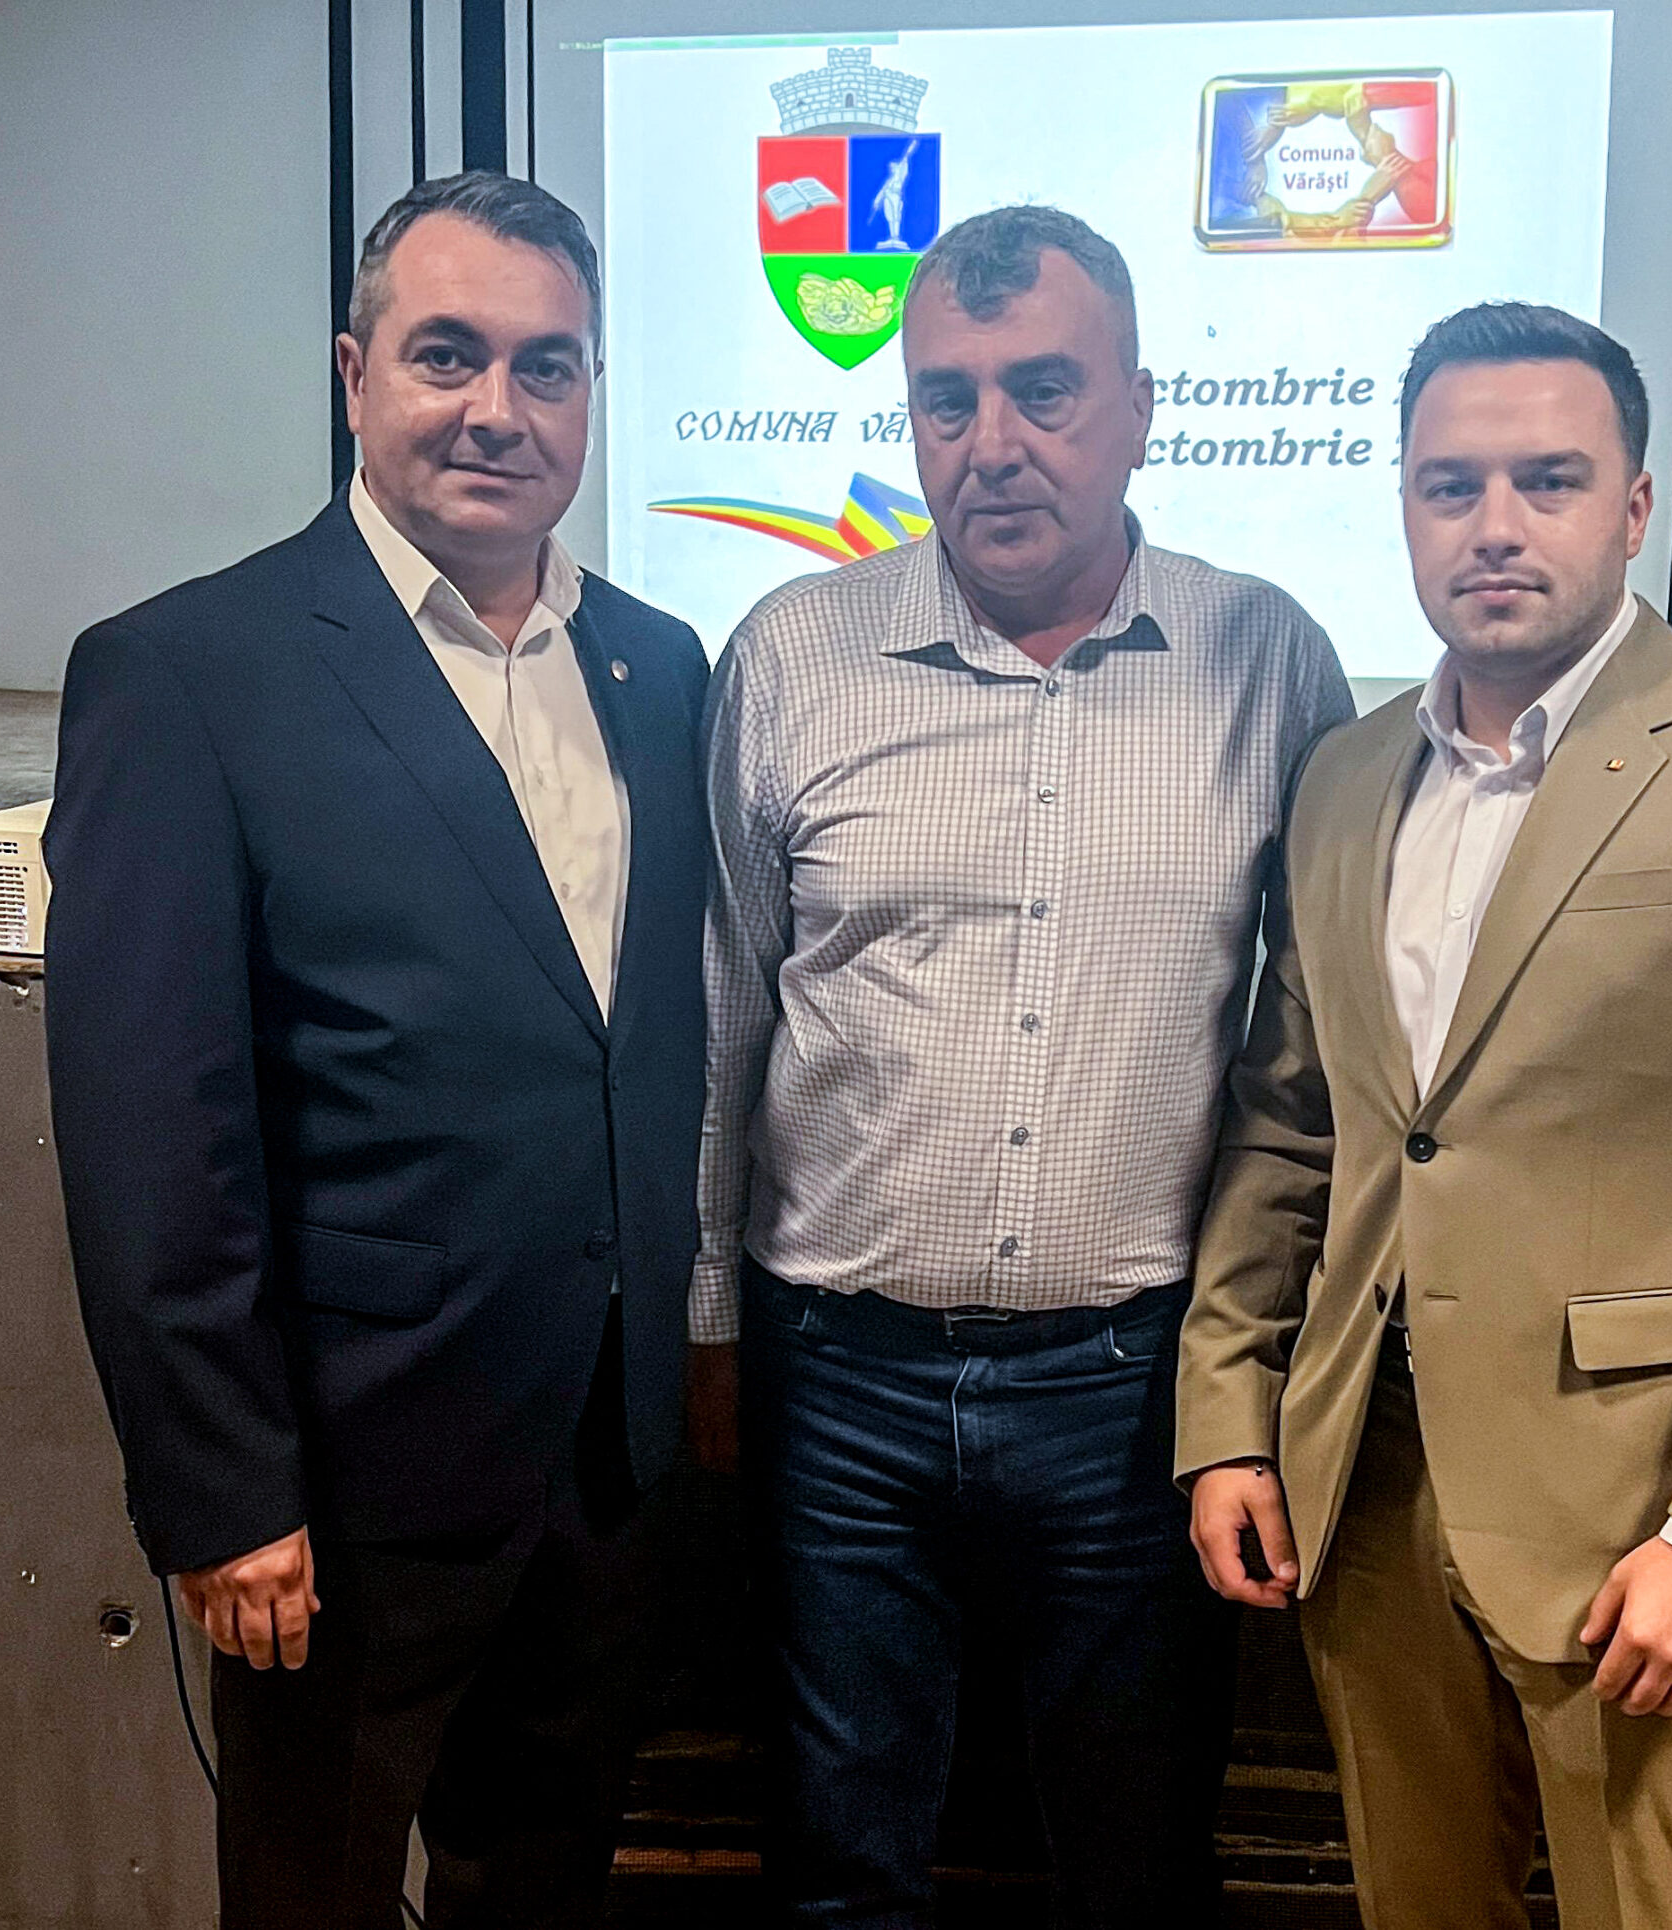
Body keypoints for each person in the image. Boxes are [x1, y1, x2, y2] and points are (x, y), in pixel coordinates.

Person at [1179, 301, 1672, 1930]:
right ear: (1403, 504)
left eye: (1550, 479)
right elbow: (1293, 1125)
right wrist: (1229, 1410)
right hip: (1363, 1497)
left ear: (1635, 505)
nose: (1495, 525)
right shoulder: (1343, 777)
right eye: (1450, 485)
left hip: (1637, 1523)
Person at [45, 170, 711, 1930]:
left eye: (548, 365)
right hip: (341, 1495)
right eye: (447, 355)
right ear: (355, 376)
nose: (500, 408)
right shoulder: (191, 672)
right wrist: (220, 1488)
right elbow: (147, 1125)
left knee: (540, 1884)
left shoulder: (658, 670)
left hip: (603, 1462)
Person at [691, 204, 1352, 1926]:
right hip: (836, 1375)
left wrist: (1260, 1365)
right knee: (841, 1864)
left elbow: (1308, 1057)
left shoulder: (1267, 658)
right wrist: (708, 1325)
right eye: (948, 398)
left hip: (1134, 1391)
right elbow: (726, 1017)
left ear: (1140, 409)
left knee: (1138, 1864)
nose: (992, 442)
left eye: (1044, 390)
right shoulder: (791, 656)